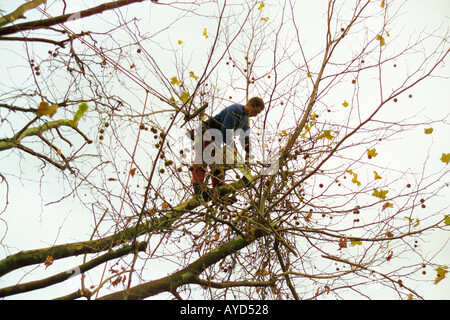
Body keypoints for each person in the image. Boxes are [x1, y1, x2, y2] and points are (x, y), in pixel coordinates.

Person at [192, 97, 265, 197]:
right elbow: (226, 129)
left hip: (216, 141)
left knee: (218, 164)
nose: (255, 115)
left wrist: (248, 151)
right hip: (205, 132)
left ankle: (218, 191)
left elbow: (245, 137)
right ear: (251, 104)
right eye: (256, 111)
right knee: (202, 158)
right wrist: (232, 146)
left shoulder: (245, 120)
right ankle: (198, 188)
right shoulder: (235, 110)